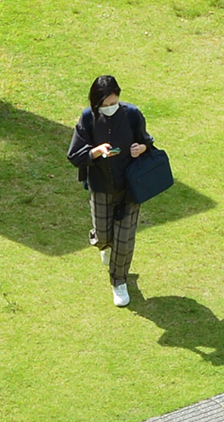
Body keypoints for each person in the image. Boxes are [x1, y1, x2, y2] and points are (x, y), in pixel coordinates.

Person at [67, 75, 152, 308]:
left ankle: (119, 280)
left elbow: (148, 142)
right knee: (103, 236)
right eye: (104, 105)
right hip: (101, 186)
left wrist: (141, 148)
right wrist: (95, 152)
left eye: (113, 103)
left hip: (130, 188)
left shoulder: (132, 114)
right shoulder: (88, 118)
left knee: (124, 240)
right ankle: (104, 245)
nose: (109, 108)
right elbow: (74, 155)